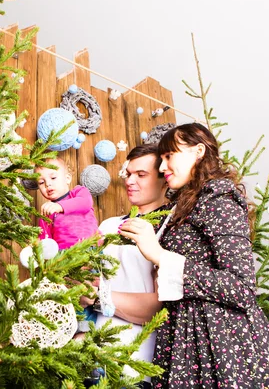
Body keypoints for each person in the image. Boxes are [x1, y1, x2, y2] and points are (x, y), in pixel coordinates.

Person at [119, 123, 269, 388]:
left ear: (198, 151)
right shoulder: (183, 205)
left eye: (169, 156)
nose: (162, 167)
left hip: (221, 339)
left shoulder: (219, 198)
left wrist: (160, 255)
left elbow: (241, 288)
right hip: (182, 336)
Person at [82, 143, 170, 387]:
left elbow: (160, 308)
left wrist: (97, 296)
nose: (130, 181)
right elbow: (85, 276)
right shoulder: (108, 225)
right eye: (128, 174)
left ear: (164, 179)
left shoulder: (171, 229)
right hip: (93, 355)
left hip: (136, 366)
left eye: (141, 175)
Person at [35, 157, 99, 331]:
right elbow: (46, 241)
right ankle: (74, 328)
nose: (48, 184)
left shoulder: (78, 192)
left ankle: (88, 328)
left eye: (53, 178)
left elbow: (86, 204)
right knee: (72, 295)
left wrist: (60, 207)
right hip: (63, 257)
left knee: (88, 290)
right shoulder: (46, 211)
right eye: (42, 182)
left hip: (88, 249)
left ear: (68, 178)